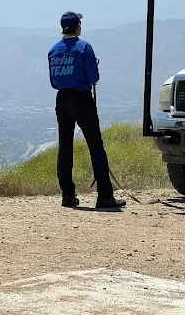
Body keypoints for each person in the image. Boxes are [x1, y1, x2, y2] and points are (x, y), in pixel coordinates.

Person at [48, 11, 126, 209]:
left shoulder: (53, 50)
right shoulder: (84, 47)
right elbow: (94, 78)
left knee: (65, 147)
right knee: (95, 146)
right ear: (77, 26)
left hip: (62, 99)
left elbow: (53, 81)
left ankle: (67, 195)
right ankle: (105, 196)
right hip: (81, 99)